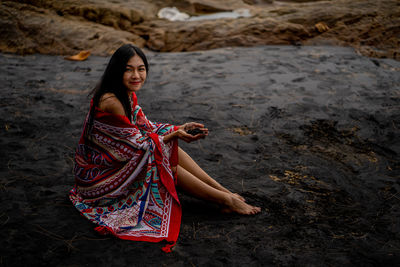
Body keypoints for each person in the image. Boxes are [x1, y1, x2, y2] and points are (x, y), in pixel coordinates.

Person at [69, 44, 260, 252]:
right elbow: (140, 146)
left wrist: (179, 129)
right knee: (160, 156)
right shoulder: (112, 100)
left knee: (167, 147)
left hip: (117, 164)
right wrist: (172, 136)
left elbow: (146, 127)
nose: (136, 75)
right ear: (116, 70)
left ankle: (224, 192)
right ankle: (226, 199)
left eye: (141, 69)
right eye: (128, 69)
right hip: (99, 180)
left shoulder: (126, 94)